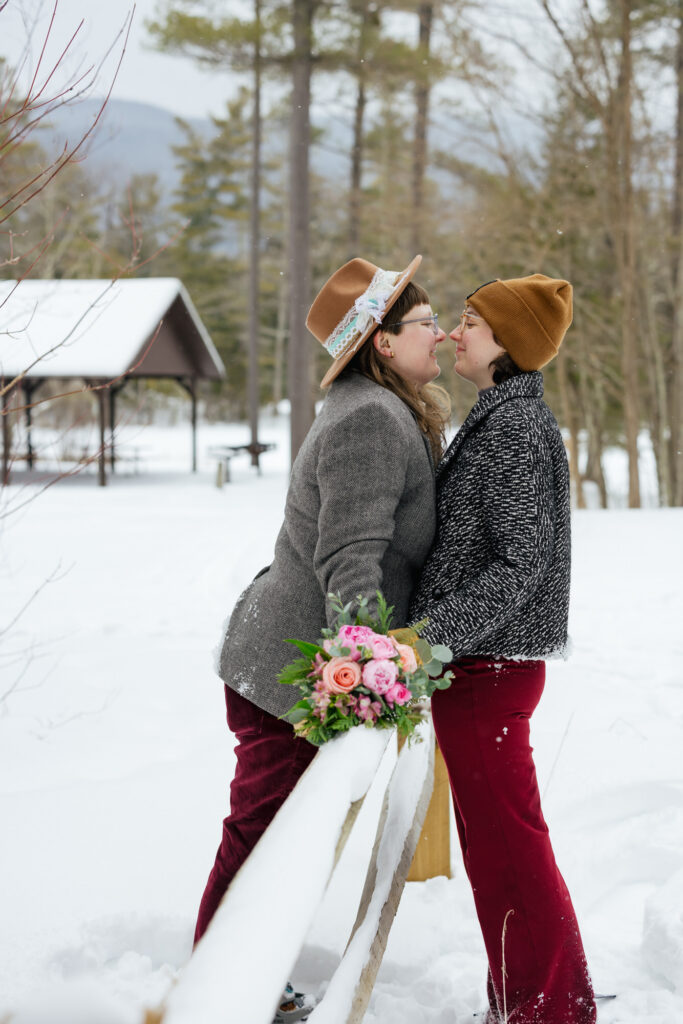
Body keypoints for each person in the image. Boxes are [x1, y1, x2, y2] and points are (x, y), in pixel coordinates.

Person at [194, 254, 449, 1021]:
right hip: (288, 671)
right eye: (425, 324)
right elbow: (348, 559)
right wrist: (364, 671)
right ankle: (219, 988)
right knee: (263, 834)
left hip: (304, 660)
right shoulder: (369, 418)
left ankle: (244, 980)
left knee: (272, 834)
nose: (438, 334)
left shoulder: (381, 406)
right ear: (381, 343)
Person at [410, 275, 597, 1024]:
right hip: (481, 668)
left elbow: (520, 564)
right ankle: (537, 996)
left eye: (470, 323)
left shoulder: (515, 430)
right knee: (499, 851)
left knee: (508, 852)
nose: (456, 334)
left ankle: (547, 1008)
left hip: (489, 671)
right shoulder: (501, 419)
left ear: (506, 344)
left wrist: (424, 642)